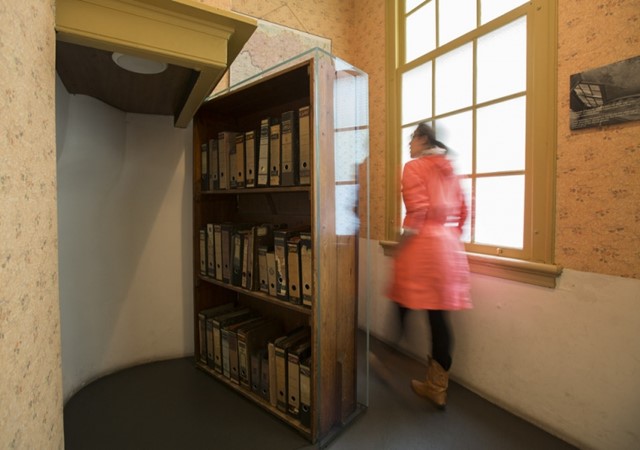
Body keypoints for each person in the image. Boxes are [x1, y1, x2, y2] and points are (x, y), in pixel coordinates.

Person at [386, 122, 472, 409]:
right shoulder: (449, 169)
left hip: (423, 248)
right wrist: (449, 238)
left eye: (411, 140)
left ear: (422, 139)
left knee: (401, 298)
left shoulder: (414, 167)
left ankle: (388, 356)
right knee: (439, 319)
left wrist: (402, 243)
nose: (409, 146)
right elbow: (463, 212)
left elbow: (418, 210)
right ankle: (437, 387)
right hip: (449, 249)